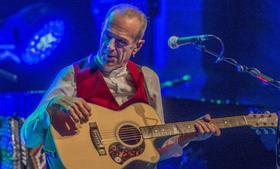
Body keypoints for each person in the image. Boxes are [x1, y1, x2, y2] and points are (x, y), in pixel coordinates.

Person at [21, 3, 221, 169]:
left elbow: (152, 149)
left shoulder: (148, 78)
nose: (109, 47)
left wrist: (187, 137)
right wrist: (52, 106)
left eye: (121, 42)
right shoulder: (72, 74)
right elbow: (28, 138)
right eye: (107, 36)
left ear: (138, 46)